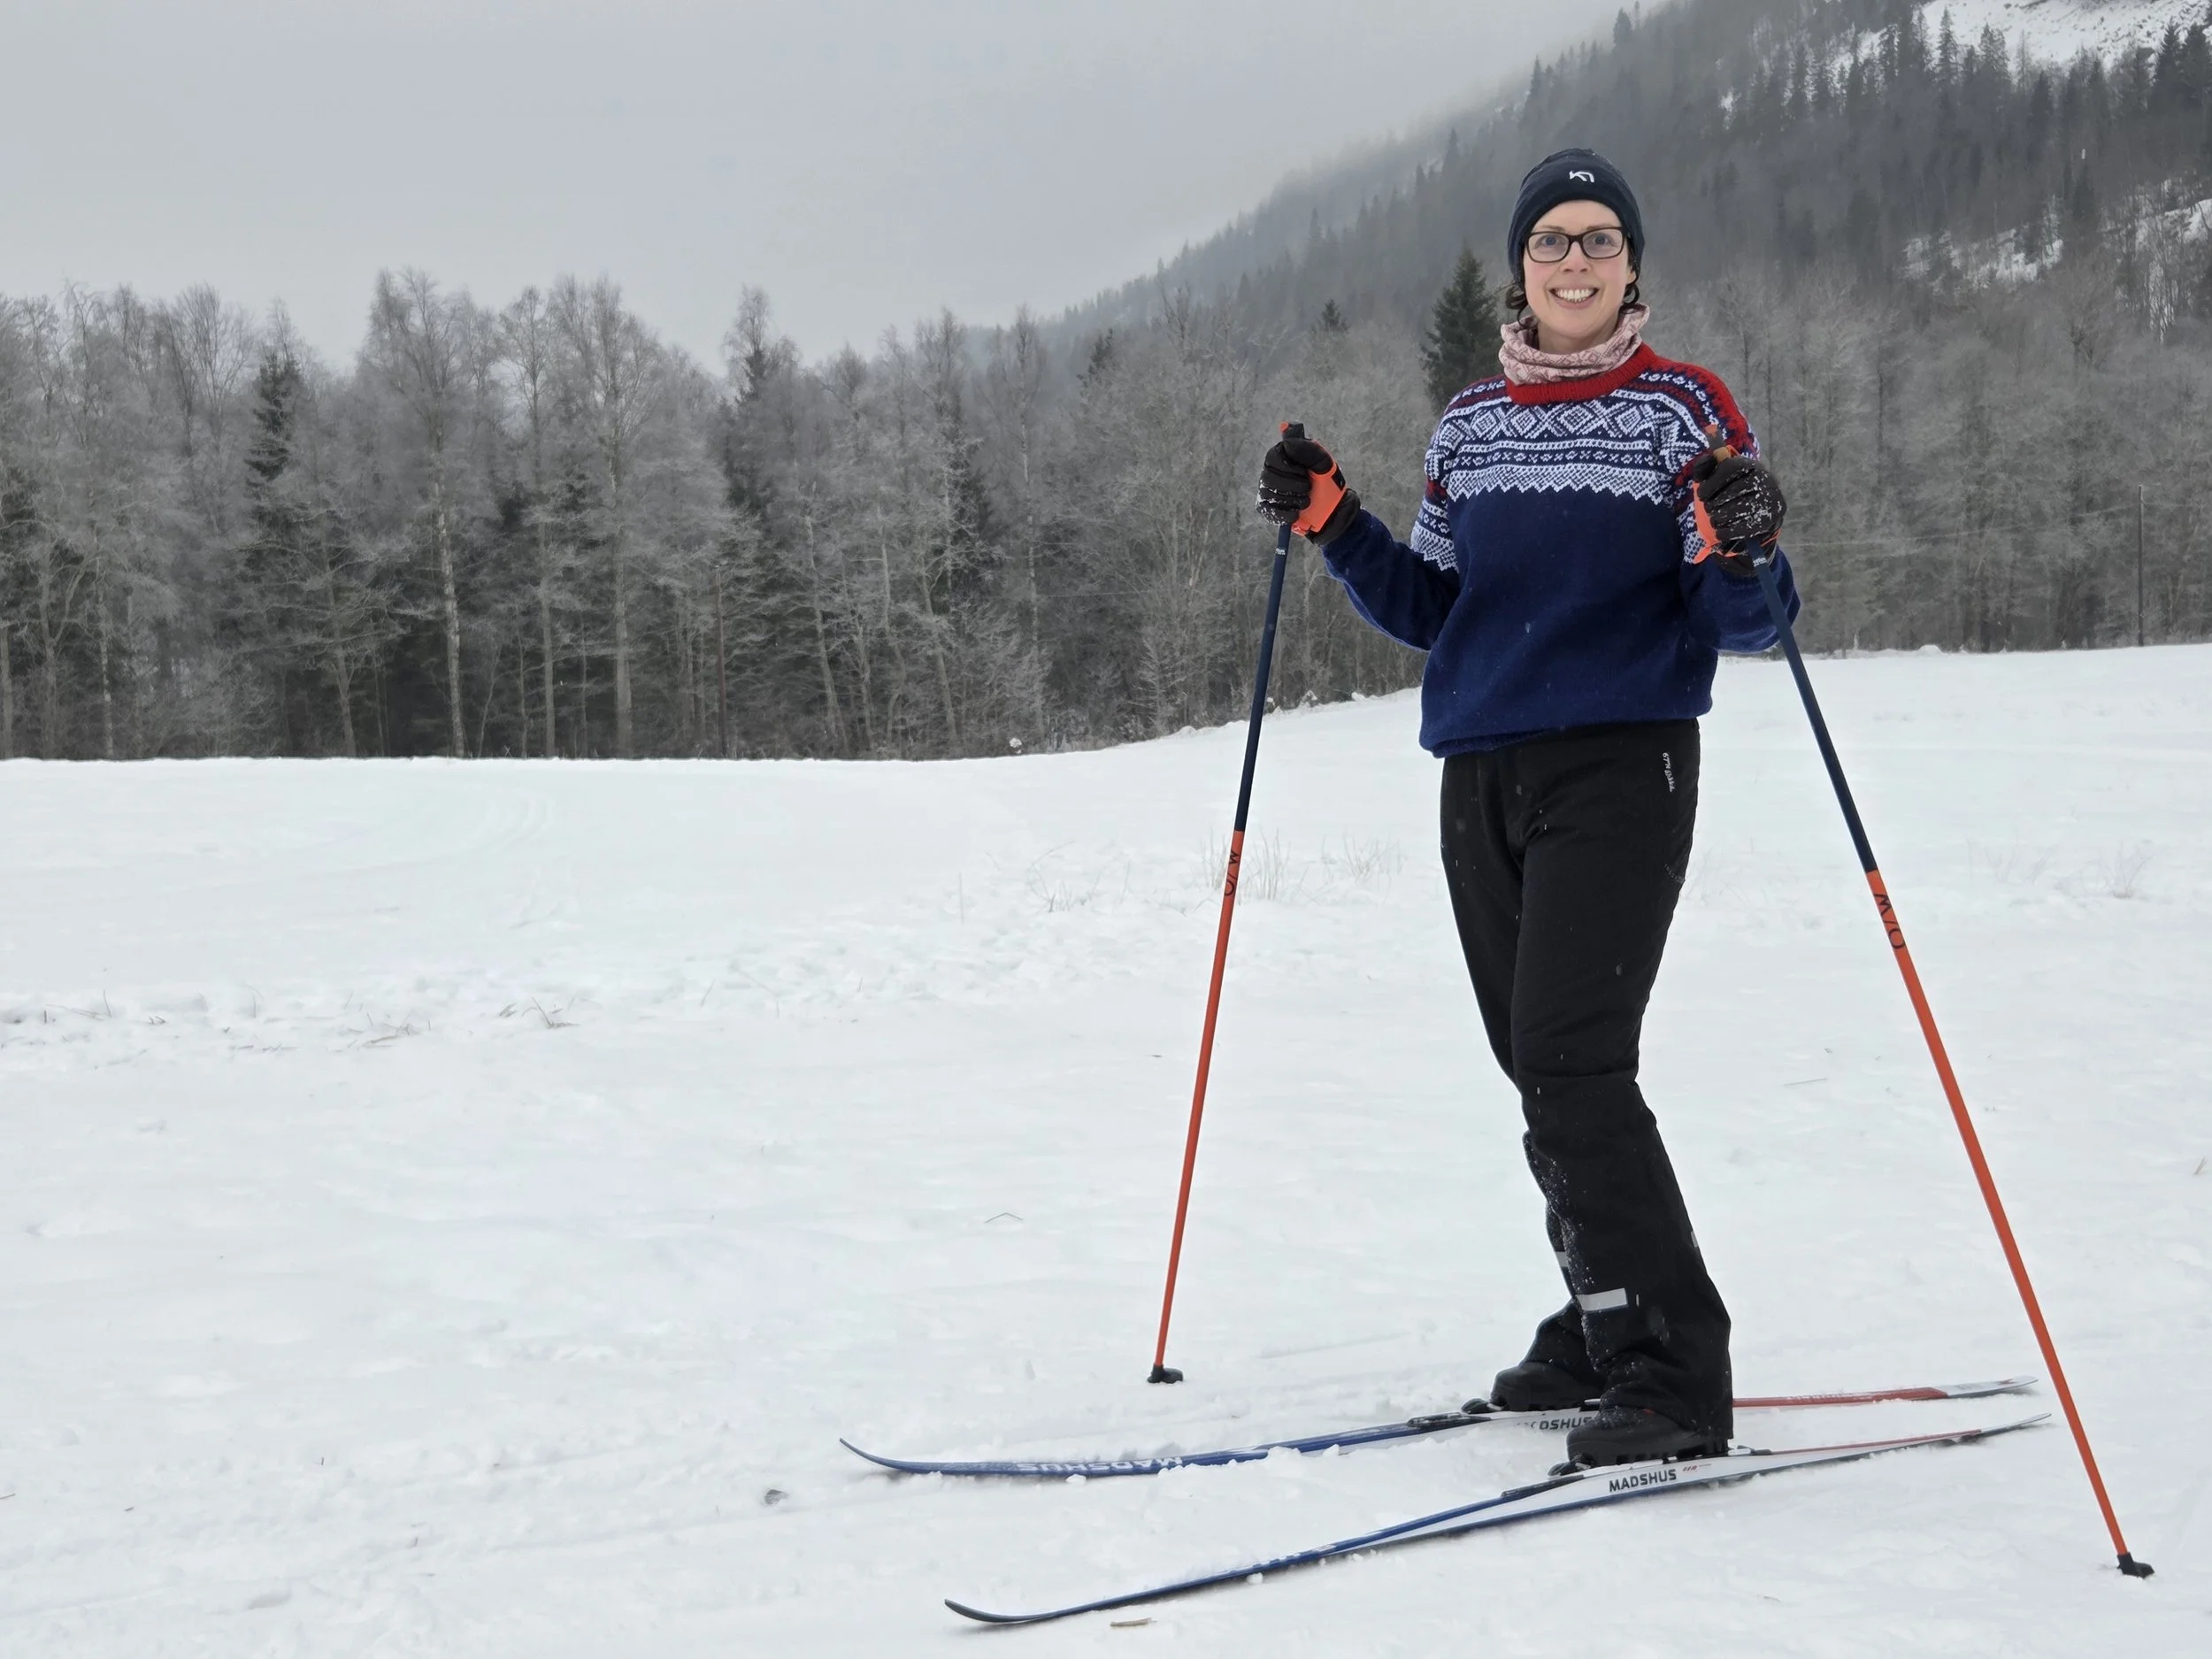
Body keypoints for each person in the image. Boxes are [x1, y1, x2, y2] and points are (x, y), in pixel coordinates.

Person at [1255, 149, 1799, 1469]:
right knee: (1534, 1064)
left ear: (1631, 263)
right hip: (1481, 771)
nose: (1574, 259)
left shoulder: (1685, 410)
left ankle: (1673, 1367)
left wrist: (1749, 537)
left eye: (1599, 238)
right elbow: (1438, 607)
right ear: (1521, 264)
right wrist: (1334, 519)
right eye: (1551, 239)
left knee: (1571, 1057)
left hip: (1623, 764)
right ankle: (1602, 1306)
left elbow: (1751, 621)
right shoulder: (1470, 424)